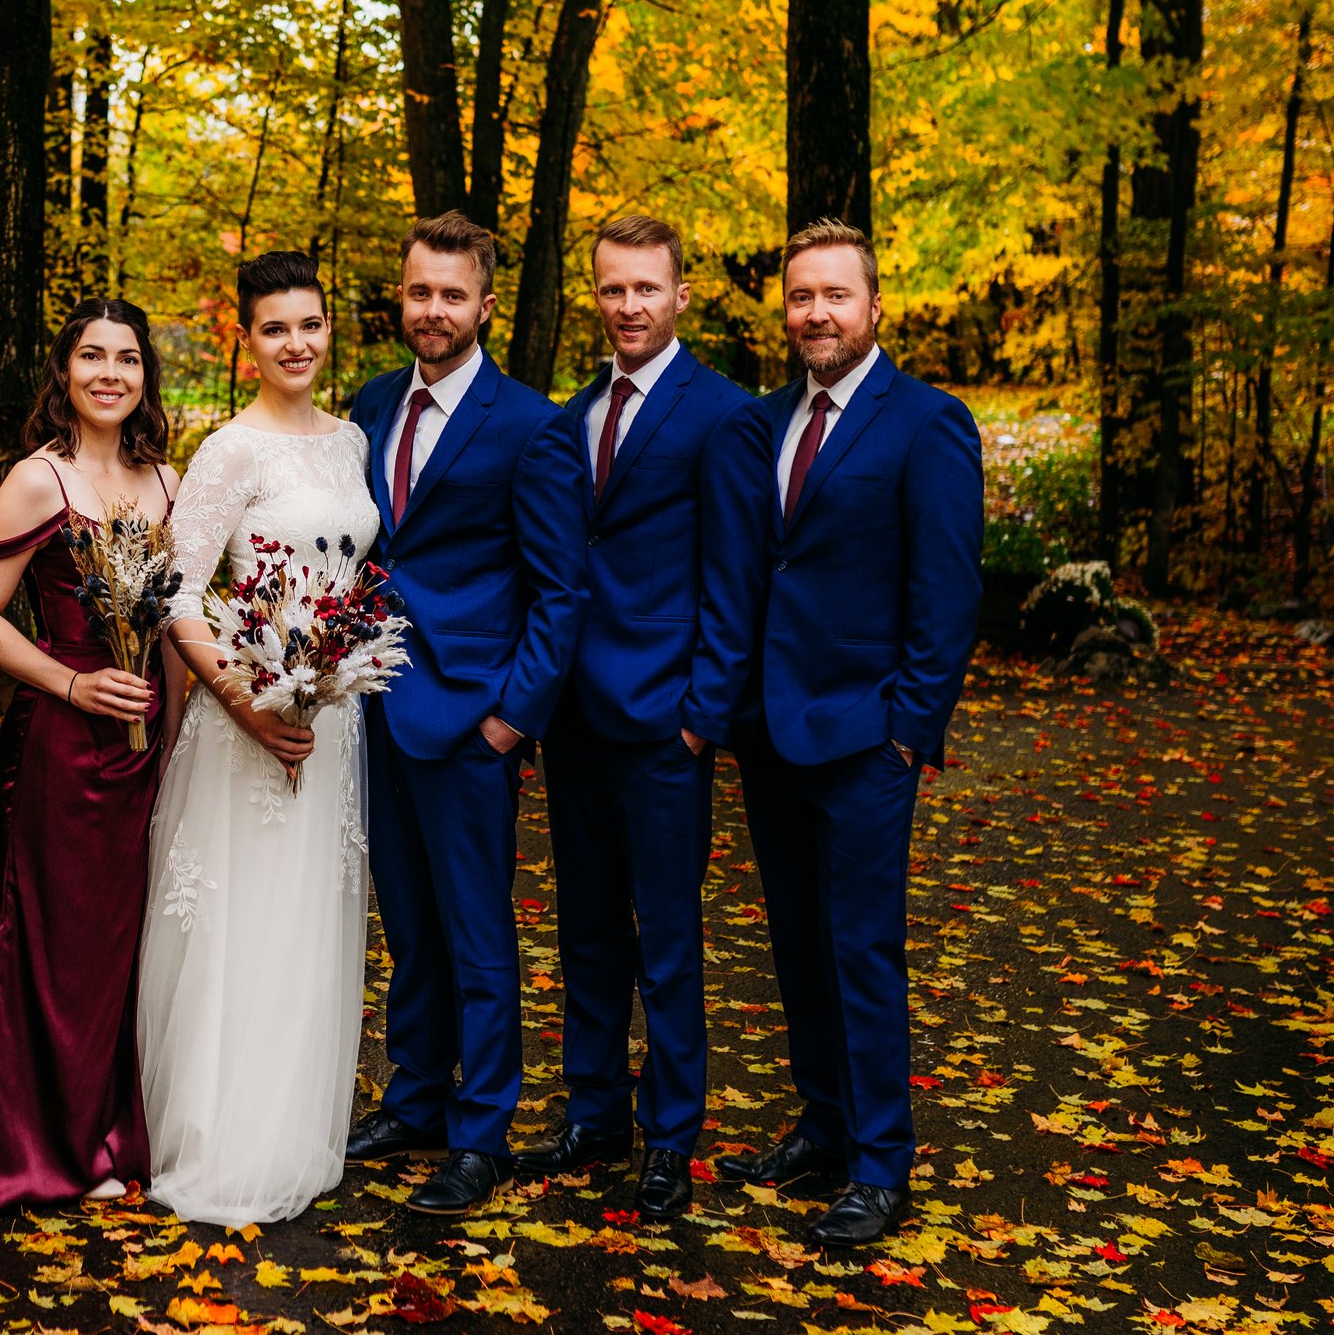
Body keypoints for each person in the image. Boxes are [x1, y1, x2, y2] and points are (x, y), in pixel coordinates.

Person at [687, 219, 983, 1246]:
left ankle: (880, 1159)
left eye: (834, 295)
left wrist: (910, 729)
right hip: (771, 731)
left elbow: (946, 591)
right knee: (796, 942)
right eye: (800, 295)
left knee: (861, 945)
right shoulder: (760, 424)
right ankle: (820, 1123)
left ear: (872, 307)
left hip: (866, 735)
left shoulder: (926, 422)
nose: (816, 311)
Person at [344, 211, 588, 1216]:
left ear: (485, 303)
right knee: (407, 921)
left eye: (452, 294)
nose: (433, 310)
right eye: (419, 291)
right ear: (400, 297)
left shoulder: (531, 423)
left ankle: (481, 1127)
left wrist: (511, 719)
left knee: (479, 933)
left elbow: (561, 589)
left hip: (473, 714)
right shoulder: (365, 406)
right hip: (374, 708)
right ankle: (416, 1096)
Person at [515, 216, 753, 1220]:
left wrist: (703, 715)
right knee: (585, 927)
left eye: (645, 288)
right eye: (612, 290)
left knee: (666, 933)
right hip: (574, 714)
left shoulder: (724, 414)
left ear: (680, 293)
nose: (627, 306)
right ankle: (595, 1108)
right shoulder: (568, 415)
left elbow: (735, 582)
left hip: (665, 721)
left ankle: (673, 1127)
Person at [138, 251, 376, 1226]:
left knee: (306, 923)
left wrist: (325, 675)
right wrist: (246, 699)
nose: (295, 343)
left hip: (331, 712)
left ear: (329, 329)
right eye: (275, 327)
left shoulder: (354, 441)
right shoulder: (229, 449)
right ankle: (224, 1137)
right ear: (248, 337)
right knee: (243, 924)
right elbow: (173, 588)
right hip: (246, 713)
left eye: (309, 324)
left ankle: (293, 1126)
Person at [0, 299, 186, 1219]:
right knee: (51, 946)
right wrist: (72, 687)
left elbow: (172, 624)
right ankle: (30, 1148)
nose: (110, 373)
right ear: (65, 372)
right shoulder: (38, 480)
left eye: (127, 357)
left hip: (142, 748)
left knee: (124, 950)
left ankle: (107, 1139)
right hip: (63, 748)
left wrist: (177, 730)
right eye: (92, 357)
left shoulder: (164, 482)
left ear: (145, 375)